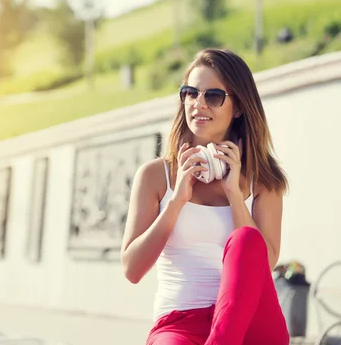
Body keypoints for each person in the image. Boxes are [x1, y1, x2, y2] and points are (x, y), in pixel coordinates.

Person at [121, 48, 290, 344]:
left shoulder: (264, 182)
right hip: (180, 323)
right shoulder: (154, 176)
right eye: (190, 93)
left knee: (246, 240)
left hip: (250, 323)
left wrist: (236, 196)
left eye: (213, 96)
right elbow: (132, 270)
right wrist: (176, 203)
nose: (198, 104)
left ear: (238, 107)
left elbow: (265, 265)